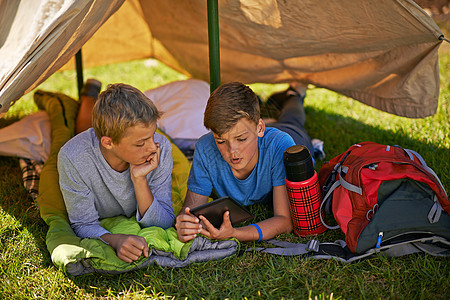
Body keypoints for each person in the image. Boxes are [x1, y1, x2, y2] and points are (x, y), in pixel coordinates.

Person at [175, 81, 314, 242]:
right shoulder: (205, 148)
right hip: (260, 133)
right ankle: (264, 120)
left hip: (291, 135)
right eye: (221, 141)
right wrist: (185, 224)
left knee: (292, 119)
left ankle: (294, 95)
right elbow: (191, 213)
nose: (232, 151)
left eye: (241, 139)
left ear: (259, 128)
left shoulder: (280, 146)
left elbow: (285, 220)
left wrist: (235, 233)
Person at [58, 82, 175, 263]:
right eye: (140, 143)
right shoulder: (73, 158)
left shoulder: (162, 147)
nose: (153, 147)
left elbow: (164, 222)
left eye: (152, 135)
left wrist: (139, 180)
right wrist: (115, 240)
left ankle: (89, 97)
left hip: (100, 143)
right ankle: (88, 97)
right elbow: (83, 224)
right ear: (108, 142)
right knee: (71, 130)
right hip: (85, 147)